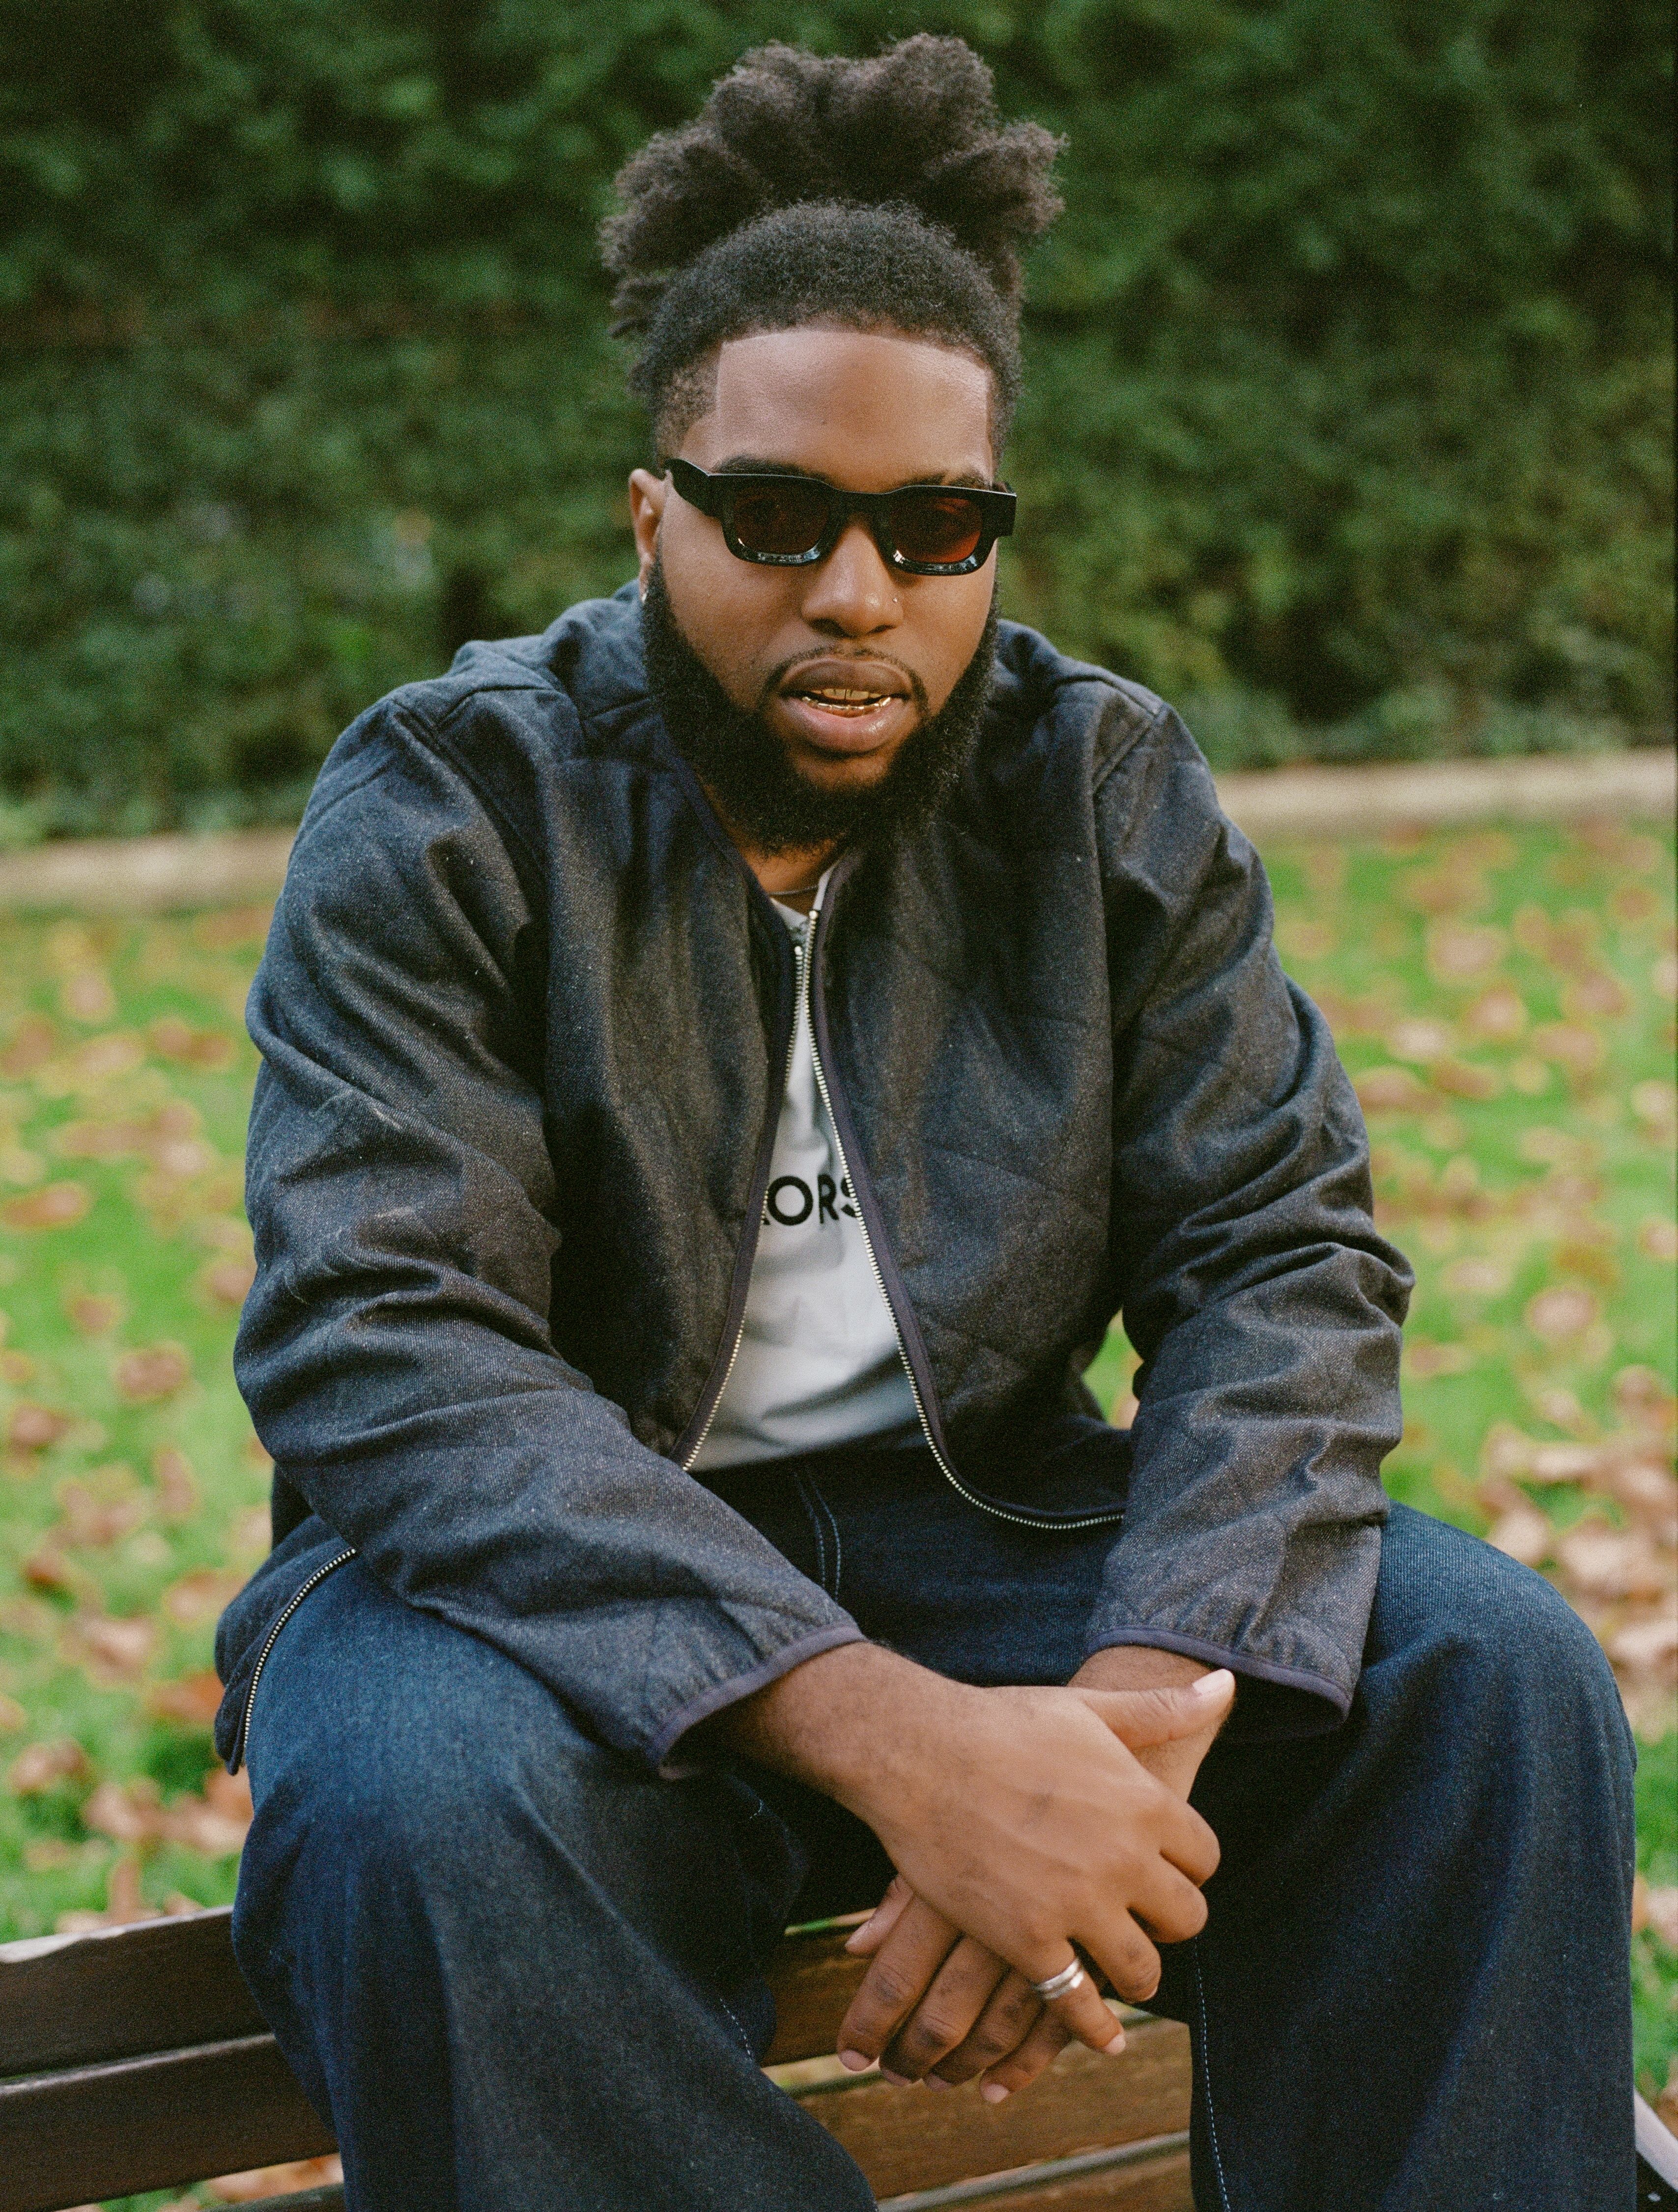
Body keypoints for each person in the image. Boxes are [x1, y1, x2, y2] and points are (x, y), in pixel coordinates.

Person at [215, 37, 1635, 2212]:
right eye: (777, 518)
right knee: (421, 1815)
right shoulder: (454, 799)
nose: (858, 593)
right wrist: (907, 1746)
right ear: (653, 516)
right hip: (506, 1594)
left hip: (984, 1525)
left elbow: (1282, 1252)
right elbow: (384, 1342)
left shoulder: (1098, 785)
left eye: (936, 527)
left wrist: (1129, 1719)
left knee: (1486, 1679)